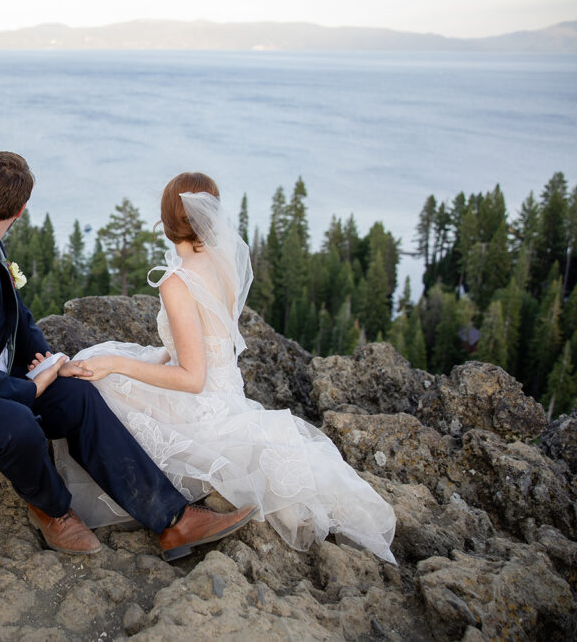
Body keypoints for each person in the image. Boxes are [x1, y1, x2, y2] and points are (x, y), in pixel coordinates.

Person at [0, 152, 258, 561]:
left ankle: (172, 520)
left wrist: (50, 361)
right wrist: (29, 387)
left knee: (77, 393)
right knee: (17, 424)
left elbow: (14, 313)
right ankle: (54, 510)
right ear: (22, 209)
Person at [49, 172, 397, 564]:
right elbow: (205, 345)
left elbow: (193, 378)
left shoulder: (177, 281)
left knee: (98, 383)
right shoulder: (223, 263)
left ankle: (65, 502)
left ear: (165, 224)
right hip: (227, 389)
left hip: (200, 399)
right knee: (104, 365)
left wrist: (117, 364)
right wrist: (151, 357)